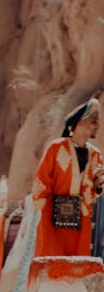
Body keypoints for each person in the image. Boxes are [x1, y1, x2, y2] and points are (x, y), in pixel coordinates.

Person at [32, 97, 104, 257]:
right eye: (93, 121)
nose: (97, 126)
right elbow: (42, 180)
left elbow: (93, 193)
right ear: (79, 123)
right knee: (52, 267)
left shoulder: (96, 155)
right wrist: (47, 206)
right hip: (52, 221)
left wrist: (98, 184)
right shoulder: (56, 148)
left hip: (80, 224)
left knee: (75, 270)